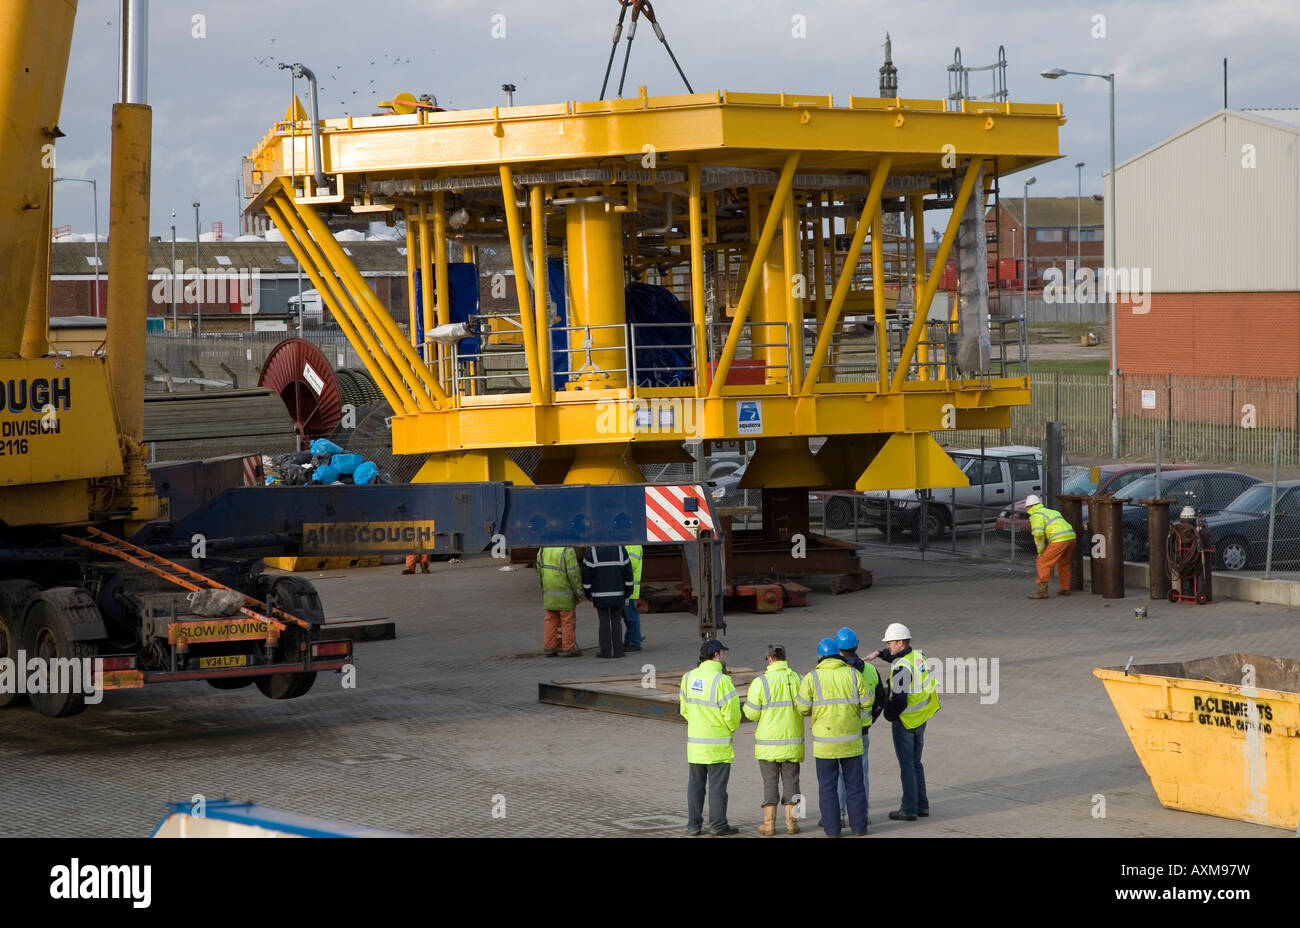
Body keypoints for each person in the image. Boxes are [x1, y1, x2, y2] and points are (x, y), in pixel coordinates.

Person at [796, 638, 872, 837]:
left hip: (825, 744)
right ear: (839, 654)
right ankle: (859, 828)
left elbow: (802, 708)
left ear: (820, 656)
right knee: (855, 785)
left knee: (827, 788)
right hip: (851, 742)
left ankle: (832, 830)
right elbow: (867, 701)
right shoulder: (853, 674)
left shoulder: (812, 678)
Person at [865, 622, 940, 822]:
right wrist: (879, 653)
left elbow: (899, 699)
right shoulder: (917, 657)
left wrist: (888, 715)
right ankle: (922, 805)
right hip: (921, 718)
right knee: (916, 764)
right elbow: (895, 655)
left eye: (890, 643)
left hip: (905, 721)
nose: (888, 646)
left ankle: (908, 810)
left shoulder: (901, 668)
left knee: (906, 766)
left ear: (899, 642)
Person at [680, 639, 741, 836]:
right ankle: (718, 825)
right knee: (717, 789)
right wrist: (728, 729)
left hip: (696, 745)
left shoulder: (688, 678)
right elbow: (732, 715)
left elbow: (684, 710)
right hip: (717, 746)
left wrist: (699, 723)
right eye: (723, 653)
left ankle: (693, 826)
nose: (725, 656)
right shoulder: (722, 681)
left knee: (695, 787)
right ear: (716, 655)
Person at [743, 644, 804, 836]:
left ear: (769, 659)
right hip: (792, 744)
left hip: (768, 746)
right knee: (792, 783)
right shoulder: (797, 679)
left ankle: (769, 825)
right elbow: (805, 707)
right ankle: (791, 824)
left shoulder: (760, 682)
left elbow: (751, 713)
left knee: (770, 783)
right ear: (785, 658)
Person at [834, 626, 886, 827]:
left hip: (838, 730)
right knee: (861, 774)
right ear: (857, 646)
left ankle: (837, 815)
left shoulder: (836, 672)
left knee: (838, 774)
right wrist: (869, 720)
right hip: (862, 730)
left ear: (837, 649)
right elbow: (880, 699)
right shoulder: (871, 670)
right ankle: (862, 813)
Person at [580, 544, 634, 658]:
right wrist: (629, 589)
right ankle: (618, 651)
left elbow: (586, 573)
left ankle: (606, 652)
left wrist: (587, 591)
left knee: (603, 621)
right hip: (618, 593)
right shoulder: (620, 549)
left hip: (599, 595)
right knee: (616, 621)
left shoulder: (592, 550)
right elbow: (628, 571)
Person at [1024, 494, 1078, 599]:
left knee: (1043, 562)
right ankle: (1065, 588)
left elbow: (1038, 534)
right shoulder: (1052, 511)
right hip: (1071, 537)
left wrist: (1041, 551)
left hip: (1059, 539)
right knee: (1063, 562)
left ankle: (1042, 591)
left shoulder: (1036, 515)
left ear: (1028, 507)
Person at [536, 546, 583, 657]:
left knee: (551, 621)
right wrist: (579, 593)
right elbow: (574, 574)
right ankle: (568, 648)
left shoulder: (543, 549)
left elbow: (539, 568)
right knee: (567, 620)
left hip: (549, 592)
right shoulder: (567, 550)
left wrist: (543, 586)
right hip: (564, 593)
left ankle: (549, 647)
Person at [623, 543, 644, 652]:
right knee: (628, 617)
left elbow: (630, 565)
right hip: (628, 588)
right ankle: (629, 641)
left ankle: (635, 642)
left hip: (630, 589)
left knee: (631, 617)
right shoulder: (629, 545)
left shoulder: (634, 545)